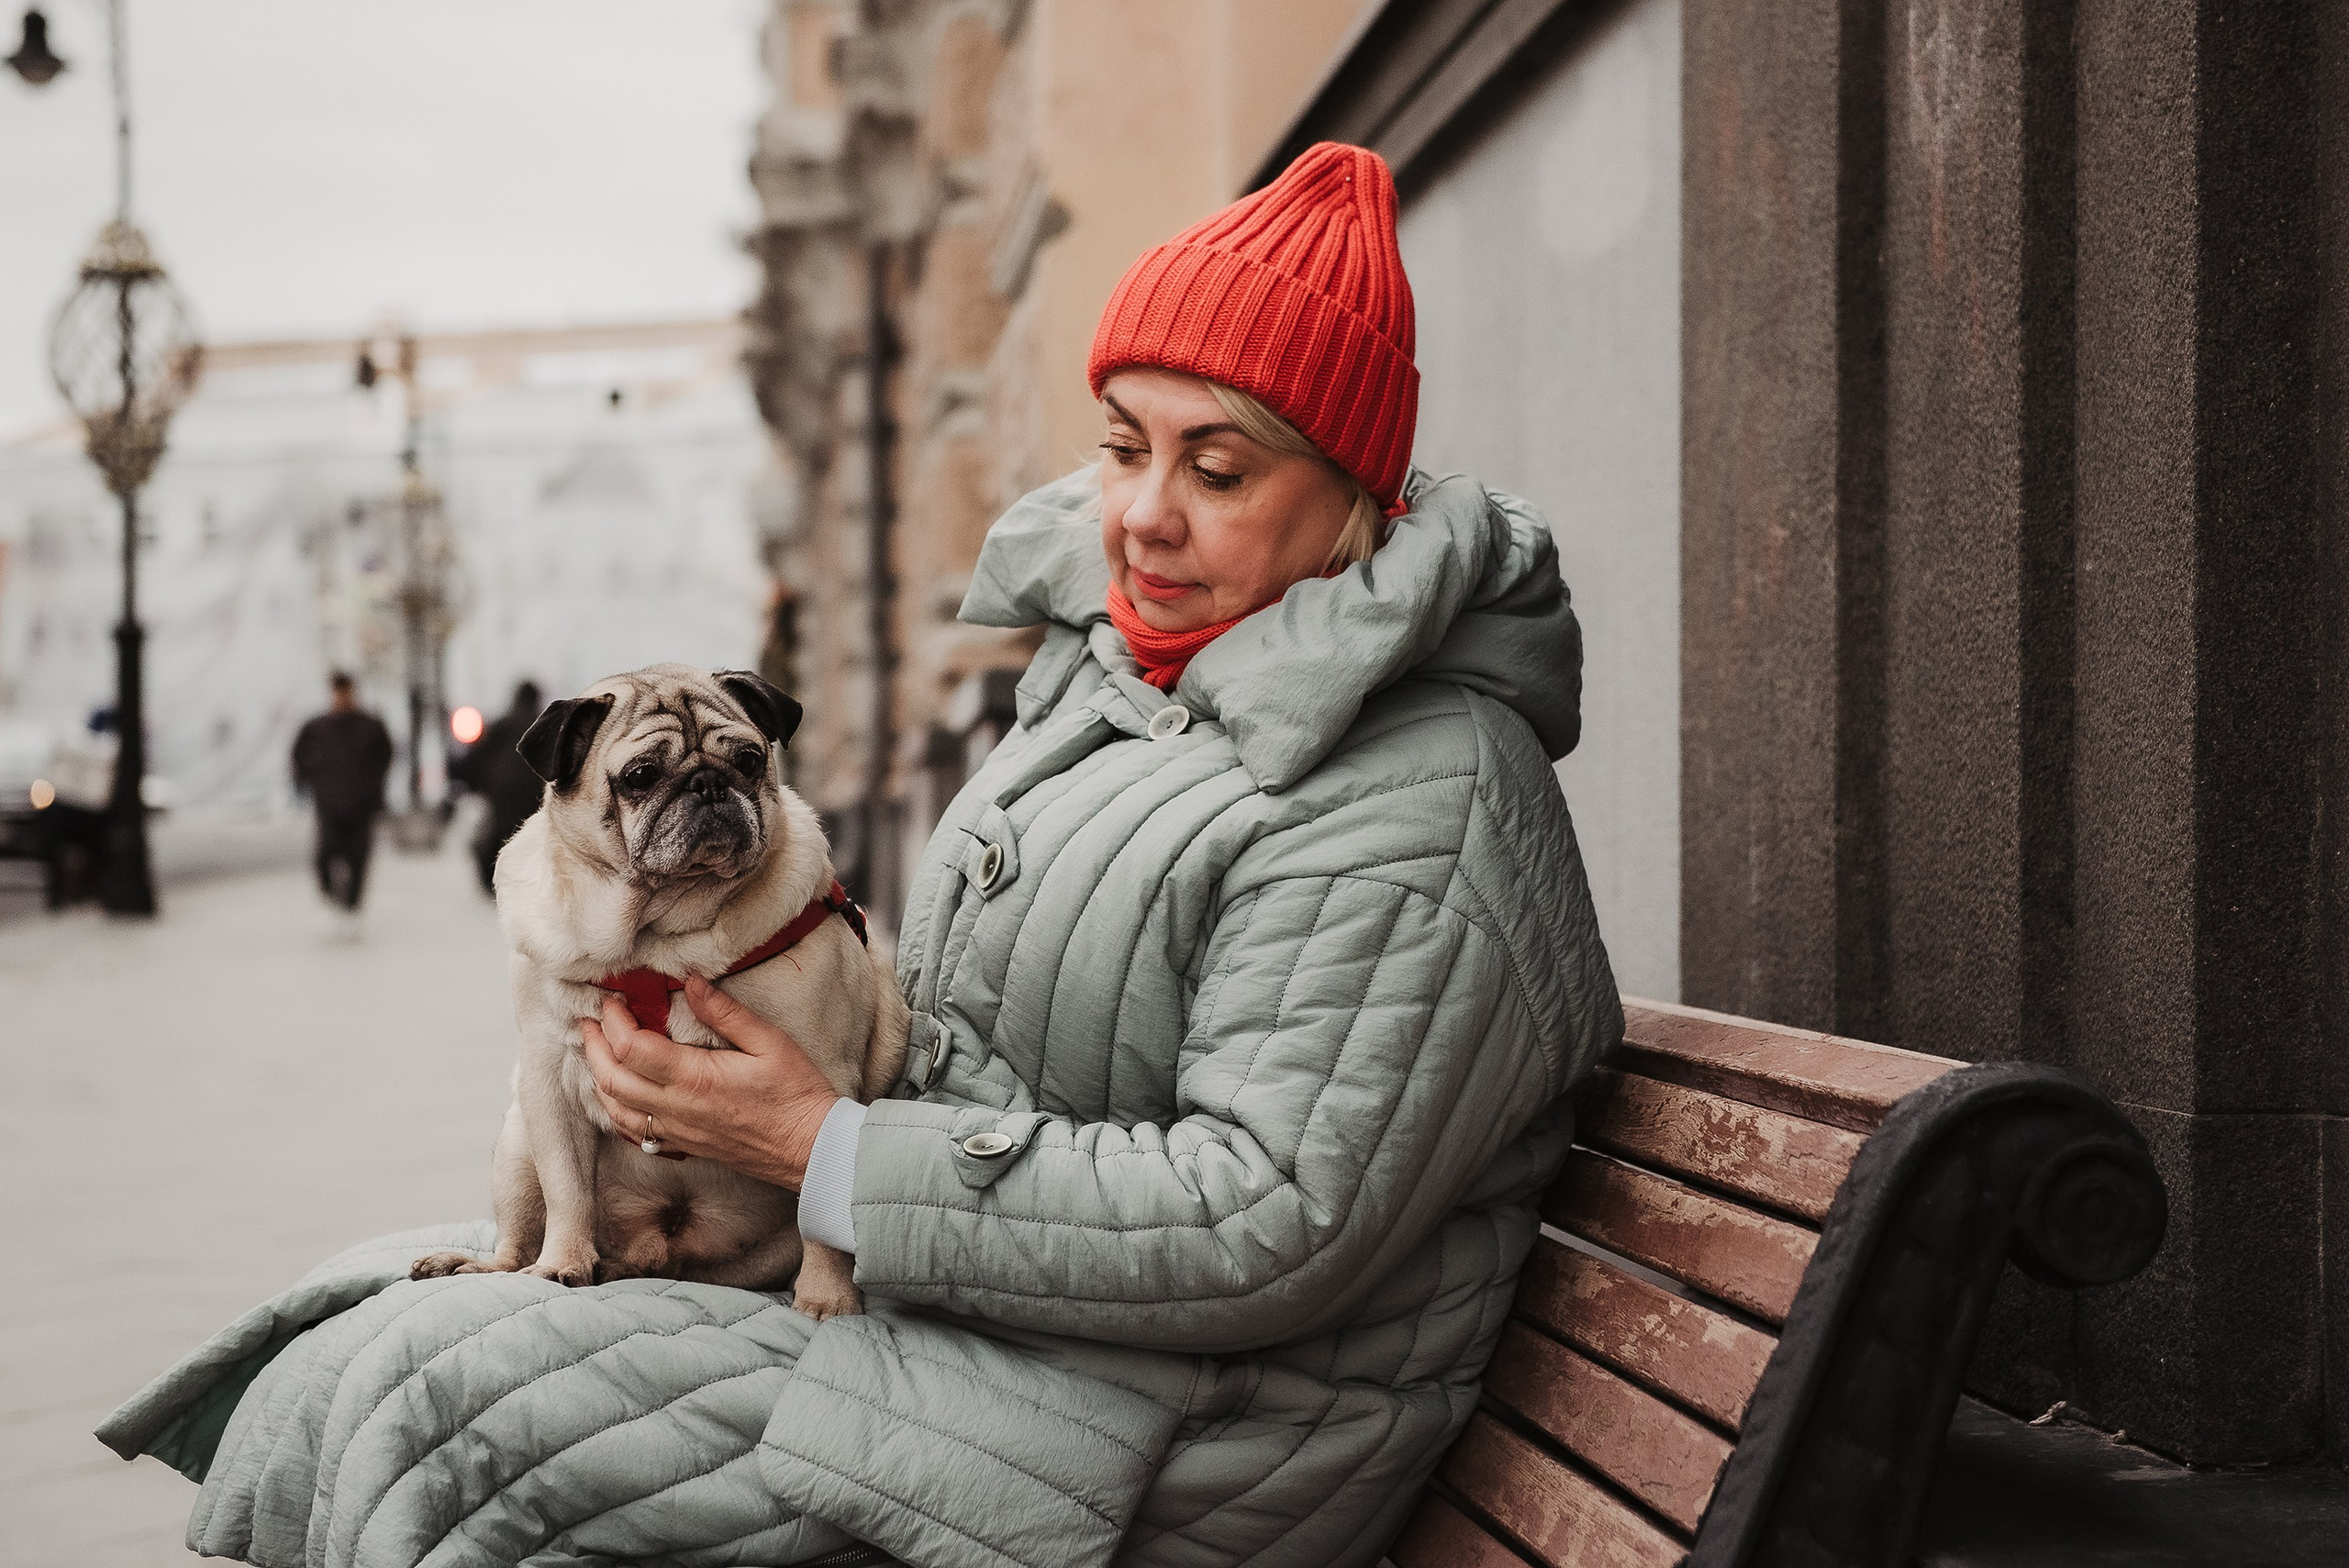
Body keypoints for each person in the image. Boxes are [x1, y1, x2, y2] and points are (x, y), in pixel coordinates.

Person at [106, 144, 1620, 1568]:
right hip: (1001, 1332)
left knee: (440, 1408)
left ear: (1356, 499)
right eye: (1120, 447)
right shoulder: (1136, 686)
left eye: (1219, 470)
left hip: (1189, 1443)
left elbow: (1257, 1221)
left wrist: (824, 1149)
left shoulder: (1424, 799)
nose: (1145, 515)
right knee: (360, 1334)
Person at [289, 671, 393, 923]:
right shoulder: (318, 727)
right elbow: (298, 755)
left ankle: (352, 905)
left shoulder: (370, 726)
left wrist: (373, 786)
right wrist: (308, 781)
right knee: (325, 854)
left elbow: (386, 756)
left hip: (361, 806)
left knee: (358, 857)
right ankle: (331, 894)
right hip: (329, 805)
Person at [450, 679, 544, 894]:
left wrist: (475, 785)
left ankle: (497, 882)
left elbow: (478, 757)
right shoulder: (543, 725)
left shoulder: (502, 723)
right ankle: (527, 881)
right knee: (533, 836)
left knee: (500, 834)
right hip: (536, 791)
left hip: (502, 791)